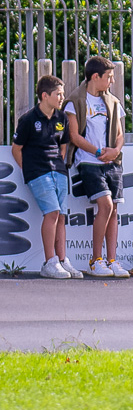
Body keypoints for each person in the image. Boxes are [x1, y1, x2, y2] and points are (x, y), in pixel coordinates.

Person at [65, 57, 128, 278]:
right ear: (95, 77)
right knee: (105, 204)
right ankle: (95, 259)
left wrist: (115, 151)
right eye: (109, 77)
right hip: (89, 162)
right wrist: (98, 152)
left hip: (112, 162)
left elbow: (120, 134)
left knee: (114, 211)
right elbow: (74, 136)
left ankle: (112, 260)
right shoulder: (75, 101)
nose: (112, 81)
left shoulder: (113, 102)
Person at [16, 75, 76, 279]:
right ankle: (49, 262)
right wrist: (30, 170)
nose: (62, 97)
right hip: (38, 172)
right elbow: (17, 149)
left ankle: (62, 260)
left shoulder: (62, 118)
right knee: (52, 212)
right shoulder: (28, 120)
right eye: (58, 94)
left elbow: (63, 145)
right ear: (44, 95)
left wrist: (58, 165)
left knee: (60, 216)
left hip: (59, 171)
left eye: (62, 93)